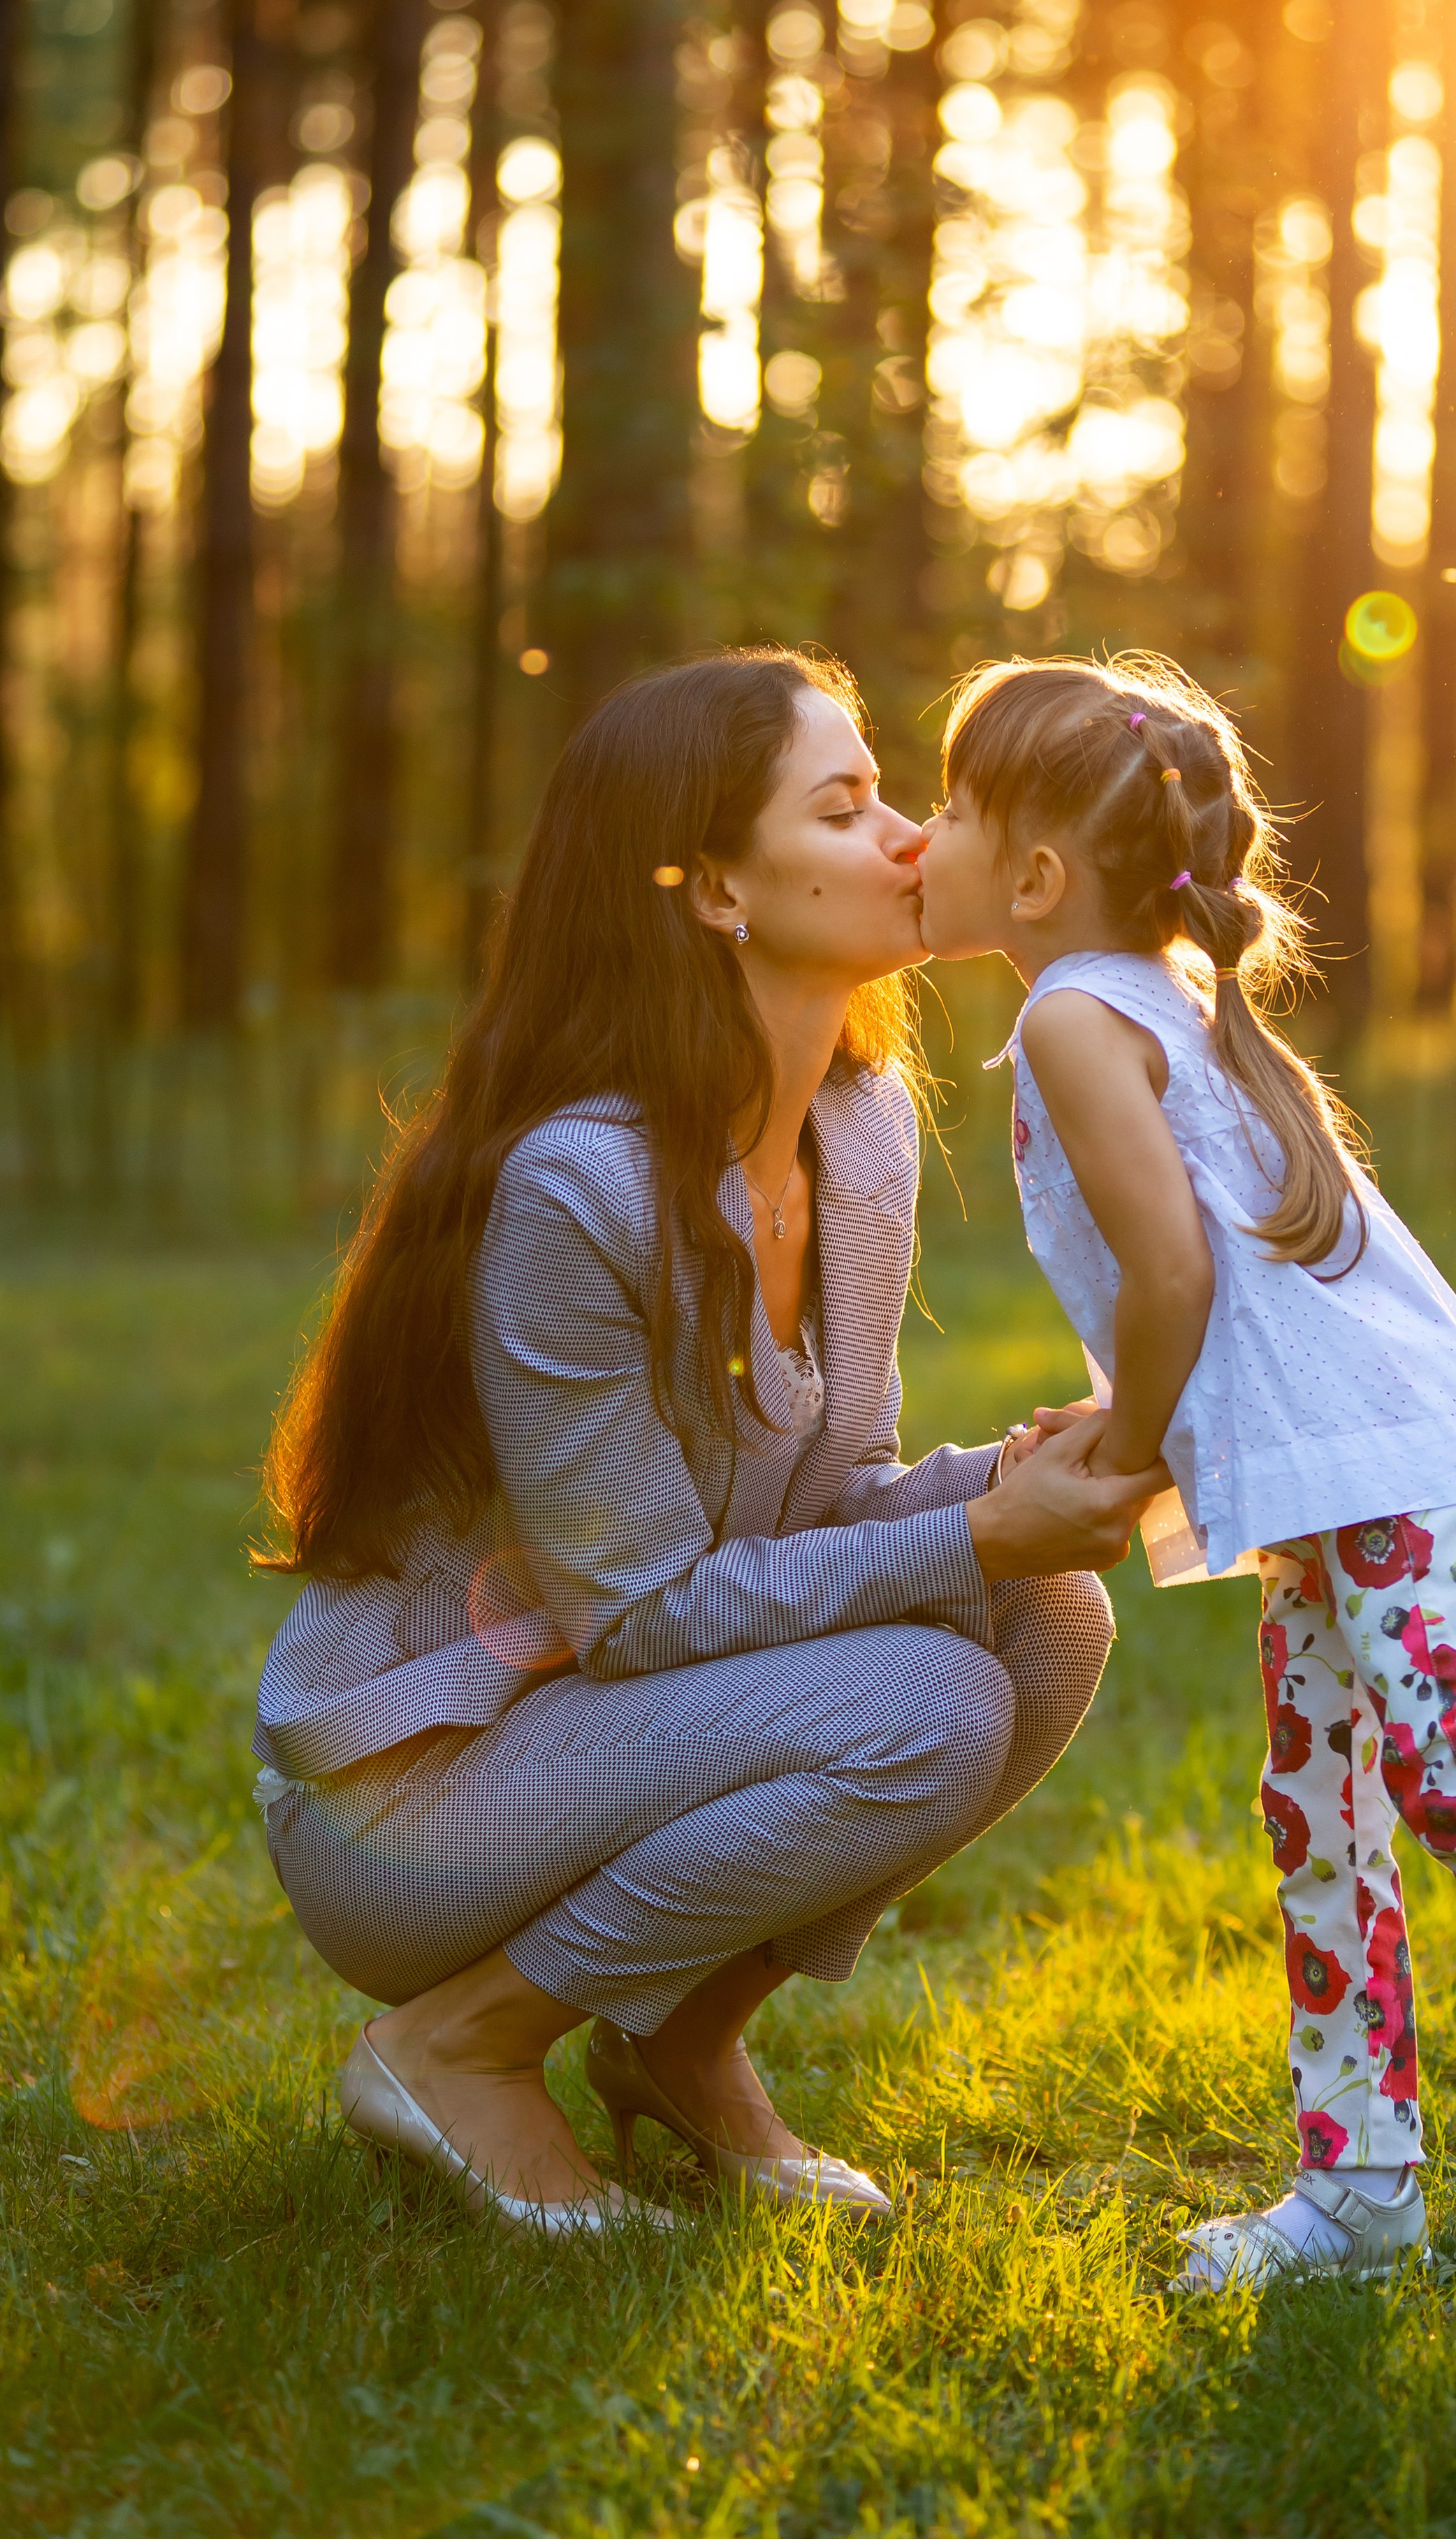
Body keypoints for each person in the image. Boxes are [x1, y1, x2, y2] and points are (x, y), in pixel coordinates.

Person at [253, 648, 1165, 2238]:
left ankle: (680, 2034)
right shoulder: (573, 1186)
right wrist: (964, 1538)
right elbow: (646, 1615)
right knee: (929, 1698)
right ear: (716, 894)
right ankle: (458, 2045)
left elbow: (828, 1505)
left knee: (1046, 1619)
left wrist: (1004, 1490)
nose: (904, 837)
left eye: (890, 794)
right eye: (847, 803)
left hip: (612, 1722)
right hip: (415, 1805)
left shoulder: (861, 1132)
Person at [915, 648, 1456, 2338]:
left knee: (1455, 1766)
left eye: (943, 804)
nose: (915, 835)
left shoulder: (1075, 1013)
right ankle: (1357, 2184)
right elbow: (1210, 1274)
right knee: (1323, 1808)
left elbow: (1172, 1279)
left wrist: (1127, 1444)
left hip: (1383, 1461)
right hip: (1340, 1472)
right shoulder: (1147, 997)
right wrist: (1115, 1412)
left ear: (1031, 876)